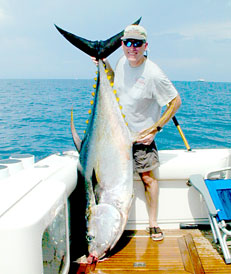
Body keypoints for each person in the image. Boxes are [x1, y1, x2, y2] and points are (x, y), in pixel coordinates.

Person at [92, 24, 181, 241]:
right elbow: (116, 82)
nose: (132, 48)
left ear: (145, 46)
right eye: (128, 43)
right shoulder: (122, 62)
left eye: (137, 43)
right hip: (116, 136)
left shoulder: (154, 74)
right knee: (102, 181)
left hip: (140, 137)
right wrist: (104, 65)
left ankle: (153, 223)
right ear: (122, 45)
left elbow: (175, 101)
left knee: (148, 179)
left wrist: (156, 129)